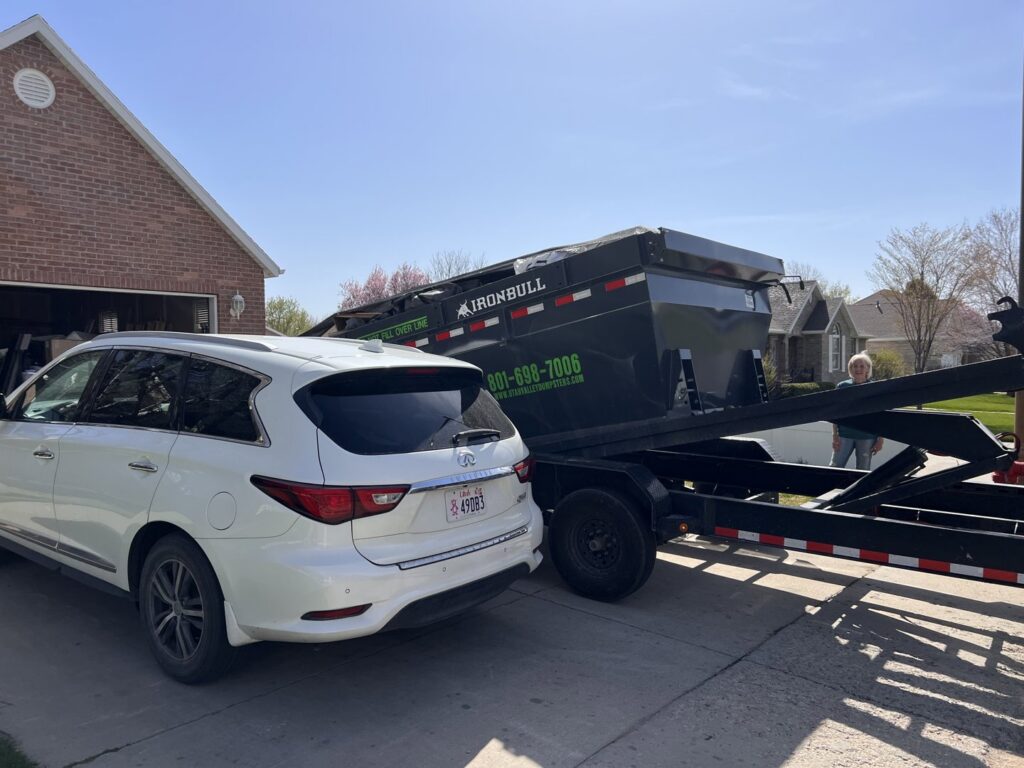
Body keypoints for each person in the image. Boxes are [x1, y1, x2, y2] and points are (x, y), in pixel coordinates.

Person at [830, 353, 884, 470]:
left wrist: (880, 440)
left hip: (867, 436)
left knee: (862, 470)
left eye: (861, 366)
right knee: (834, 468)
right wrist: (835, 436)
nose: (858, 369)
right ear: (850, 368)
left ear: (868, 369)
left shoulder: (875, 388)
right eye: (855, 366)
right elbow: (835, 413)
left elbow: (881, 416)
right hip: (844, 435)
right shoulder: (842, 387)